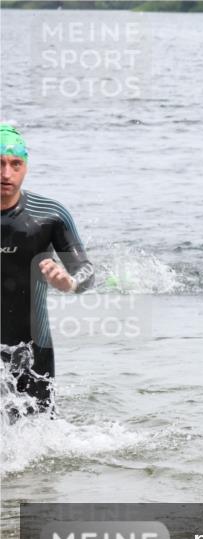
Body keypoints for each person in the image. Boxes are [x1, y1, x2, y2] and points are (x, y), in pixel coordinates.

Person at [1, 124, 94, 417]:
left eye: (15, 164)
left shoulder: (49, 215)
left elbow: (86, 271)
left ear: (25, 167)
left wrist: (69, 284)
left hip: (32, 352)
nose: (6, 174)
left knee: (42, 446)